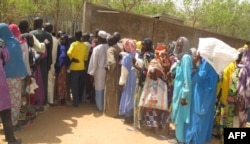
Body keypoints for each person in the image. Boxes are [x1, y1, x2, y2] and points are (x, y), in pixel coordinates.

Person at [185, 48, 218, 144]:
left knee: (198, 119)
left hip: (202, 96)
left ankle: (195, 140)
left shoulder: (207, 64)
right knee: (203, 119)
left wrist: (194, 64)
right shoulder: (210, 63)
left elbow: (198, 79)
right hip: (206, 96)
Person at [0, 23, 29, 132]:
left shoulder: (1, 43)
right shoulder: (16, 42)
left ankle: (5, 122)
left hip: (2, 77)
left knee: (3, 101)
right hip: (16, 76)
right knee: (16, 101)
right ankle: (14, 124)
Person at [138, 43, 171, 133]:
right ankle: (156, 126)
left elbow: (151, 71)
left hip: (153, 87)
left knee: (151, 106)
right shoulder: (168, 62)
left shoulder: (155, 61)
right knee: (158, 106)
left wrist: (153, 72)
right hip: (162, 88)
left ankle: (152, 126)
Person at [169, 36, 192, 144]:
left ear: (186, 46)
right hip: (178, 92)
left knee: (181, 116)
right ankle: (179, 138)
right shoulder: (181, 58)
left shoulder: (186, 58)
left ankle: (180, 140)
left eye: (180, 45)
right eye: (177, 45)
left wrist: (184, 96)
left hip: (183, 93)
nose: (178, 47)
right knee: (178, 114)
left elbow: (187, 78)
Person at [0, 38, 22, 144]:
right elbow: (6, 57)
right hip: (0, 83)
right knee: (5, 112)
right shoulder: (1, 43)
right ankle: (11, 139)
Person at [30, 17, 53, 106]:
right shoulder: (48, 35)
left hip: (32, 62)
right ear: (42, 24)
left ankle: (33, 102)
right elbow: (49, 51)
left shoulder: (30, 34)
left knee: (33, 81)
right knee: (43, 82)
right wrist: (49, 63)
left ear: (35, 24)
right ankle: (43, 101)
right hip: (44, 62)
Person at [133, 38, 154, 128]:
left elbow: (146, 70)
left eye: (144, 44)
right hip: (148, 83)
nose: (143, 46)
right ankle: (143, 123)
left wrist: (135, 65)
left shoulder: (146, 55)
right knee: (144, 103)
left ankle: (137, 125)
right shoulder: (152, 55)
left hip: (142, 83)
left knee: (138, 103)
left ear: (148, 46)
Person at [88, 30, 109, 111]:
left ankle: (100, 106)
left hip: (99, 71)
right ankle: (104, 105)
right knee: (104, 88)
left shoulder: (97, 48)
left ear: (99, 38)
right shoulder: (109, 47)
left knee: (98, 88)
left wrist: (91, 73)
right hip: (107, 71)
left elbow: (93, 62)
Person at [67, 31, 89, 107]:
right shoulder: (85, 45)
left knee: (74, 85)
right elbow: (86, 57)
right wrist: (83, 64)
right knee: (80, 85)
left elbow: (69, 52)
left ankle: (75, 102)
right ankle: (79, 100)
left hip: (74, 67)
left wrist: (72, 59)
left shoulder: (73, 44)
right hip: (82, 67)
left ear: (75, 36)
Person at [119, 38, 137, 123]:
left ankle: (128, 117)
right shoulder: (136, 55)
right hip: (135, 79)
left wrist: (122, 83)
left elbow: (124, 72)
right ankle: (132, 116)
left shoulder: (126, 57)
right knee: (133, 97)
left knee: (127, 96)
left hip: (128, 79)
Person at [104, 35, 122, 117]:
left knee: (110, 93)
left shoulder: (110, 50)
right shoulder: (119, 48)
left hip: (112, 74)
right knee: (116, 93)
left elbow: (112, 62)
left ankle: (111, 112)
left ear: (111, 42)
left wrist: (108, 69)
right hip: (119, 73)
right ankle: (116, 111)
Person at [44, 23, 58, 105]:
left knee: (46, 82)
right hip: (53, 63)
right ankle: (51, 100)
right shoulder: (55, 39)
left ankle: (47, 100)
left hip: (46, 63)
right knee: (51, 81)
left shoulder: (46, 38)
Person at [55, 34, 70, 105]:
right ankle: (62, 97)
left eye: (63, 39)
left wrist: (60, 64)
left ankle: (62, 97)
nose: (61, 40)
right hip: (61, 66)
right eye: (60, 39)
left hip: (62, 66)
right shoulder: (61, 46)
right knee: (61, 81)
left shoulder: (65, 47)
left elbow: (63, 57)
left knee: (61, 82)